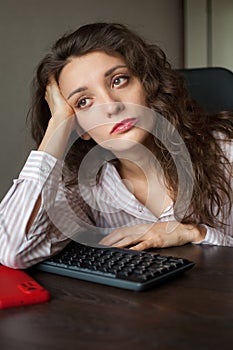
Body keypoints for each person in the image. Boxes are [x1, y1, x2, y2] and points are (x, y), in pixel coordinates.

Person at [0, 23, 232, 269]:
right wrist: (57, 124)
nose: (111, 106)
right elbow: (12, 250)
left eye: (119, 80)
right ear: (80, 129)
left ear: (147, 86)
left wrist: (197, 234)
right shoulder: (84, 188)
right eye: (84, 101)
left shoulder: (226, 151)